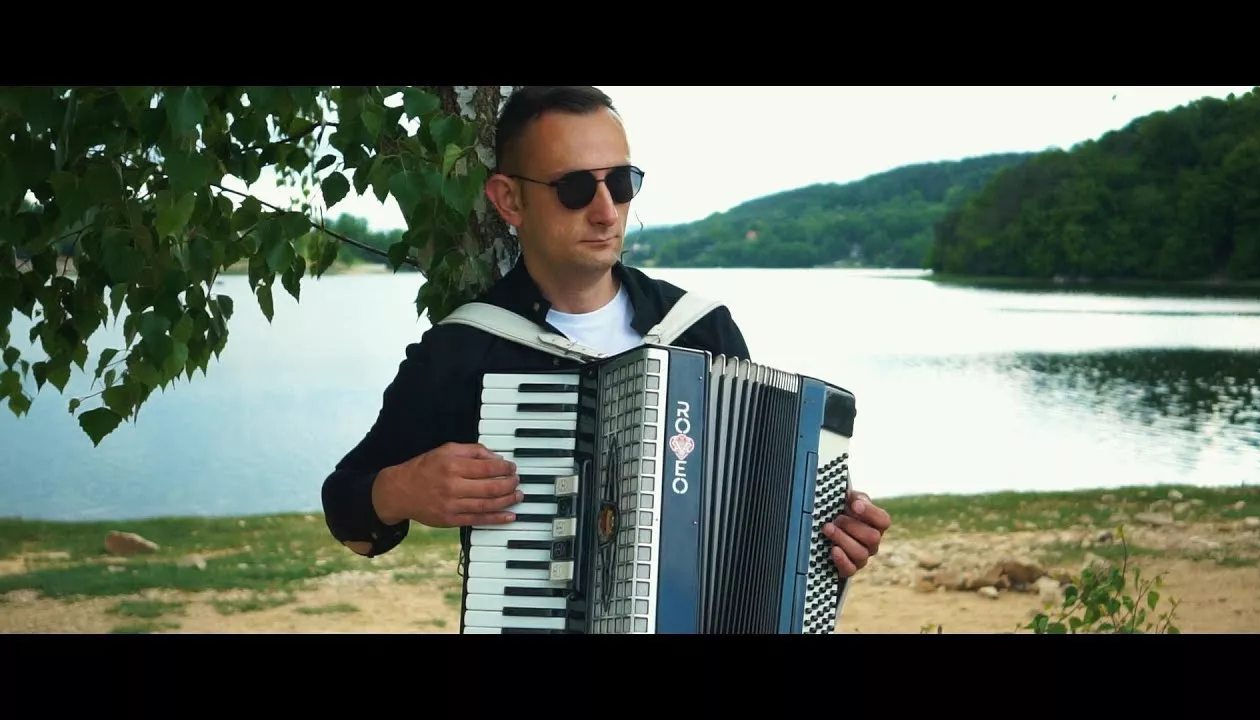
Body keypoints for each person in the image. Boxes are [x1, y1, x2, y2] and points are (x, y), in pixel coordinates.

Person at [319, 85, 891, 597]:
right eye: (574, 188)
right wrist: (400, 490)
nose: (606, 211)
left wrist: (828, 538)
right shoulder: (466, 349)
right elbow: (347, 513)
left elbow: (755, 509)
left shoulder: (700, 329)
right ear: (509, 200)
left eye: (620, 183)